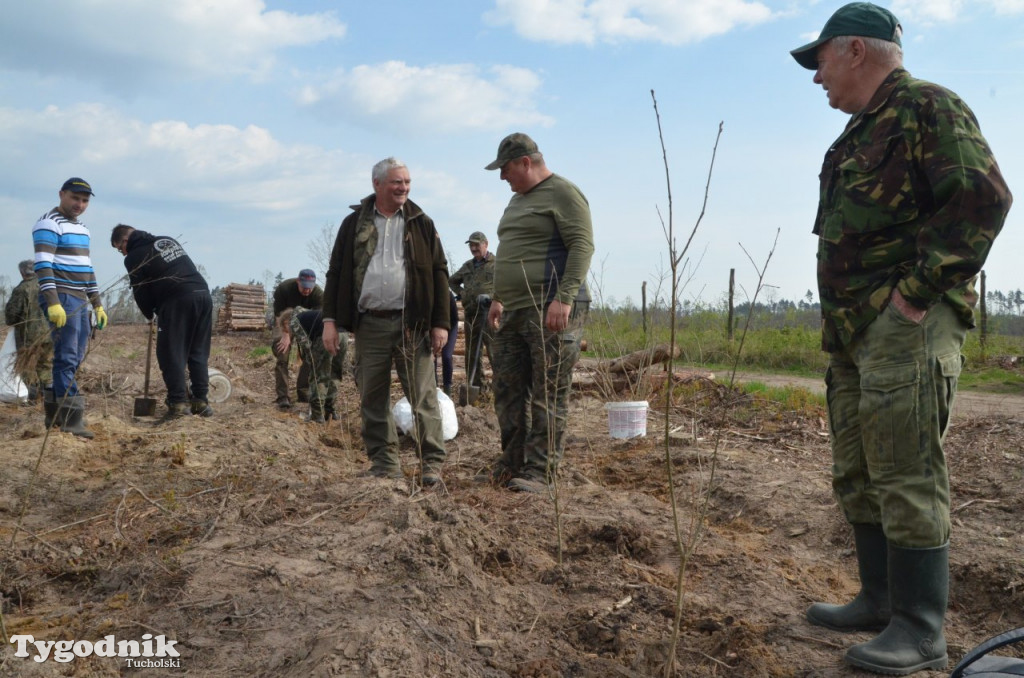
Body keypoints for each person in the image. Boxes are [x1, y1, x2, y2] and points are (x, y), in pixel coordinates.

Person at [790, 4, 1012, 674]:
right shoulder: (859, 132)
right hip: (854, 334)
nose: (815, 76)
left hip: (905, 329)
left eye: (820, 59)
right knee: (859, 470)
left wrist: (914, 295)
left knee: (907, 470)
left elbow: (982, 198)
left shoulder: (927, 108)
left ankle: (920, 630)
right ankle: (880, 601)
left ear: (856, 49)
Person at [321, 157, 450, 486]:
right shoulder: (354, 224)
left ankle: (431, 463)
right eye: (396, 182)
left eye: (407, 182)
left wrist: (441, 323)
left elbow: (439, 273)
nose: (403, 188)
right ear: (377, 184)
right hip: (371, 324)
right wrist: (330, 320)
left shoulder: (421, 222)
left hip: (413, 325)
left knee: (423, 396)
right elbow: (336, 273)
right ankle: (384, 464)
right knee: (372, 397)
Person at [484, 133, 594, 494]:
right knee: (508, 390)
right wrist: (500, 296)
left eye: (505, 169)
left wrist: (563, 298)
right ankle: (512, 462)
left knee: (548, 391)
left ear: (525, 162)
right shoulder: (517, 201)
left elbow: (582, 245)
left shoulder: (563, 193)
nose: (503, 177)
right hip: (514, 309)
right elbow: (513, 250)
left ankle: (540, 472)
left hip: (550, 306)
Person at [111, 224, 215, 420]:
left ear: (125, 241)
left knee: (170, 353)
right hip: (203, 295)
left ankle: (178, 404)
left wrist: (149, 313)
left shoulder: (134, 256)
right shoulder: (166, 240)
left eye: (119, 249)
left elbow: (140, 289)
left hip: (178, 300)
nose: (122, 253)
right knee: (197, 350)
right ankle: (200, 402)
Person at [33, 177, 108, 439]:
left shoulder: (83, 229)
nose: (79, 204)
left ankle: (55, 416)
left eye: (85, 200)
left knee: (74, 357)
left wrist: (97, 304)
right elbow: (43, 264)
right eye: (75, 198)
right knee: (66, 356)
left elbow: (87, 269)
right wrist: (53, 301)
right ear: (61, 194)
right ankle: (70, 420)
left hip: (80, 299)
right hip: (62, 296)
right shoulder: (48, 223)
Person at [276, 307, 348, 423]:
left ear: (286, 322)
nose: (289, 333)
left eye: (286, 330)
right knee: (334, 374)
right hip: (342, 334)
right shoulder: (308, 314)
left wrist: (312, 361)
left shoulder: (294, 321)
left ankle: (317, 415)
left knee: (318, 376)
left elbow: (307, 345)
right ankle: (330, 411)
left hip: (325, 335)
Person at [449, 231, 495, 392]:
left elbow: (506, 286)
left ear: (486, 244)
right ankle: (477, 388)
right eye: (471, 245)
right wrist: (462, 294)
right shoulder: (468, 266)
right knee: (472, 352)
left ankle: (500, 388)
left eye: (477, 244)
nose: (474, 248)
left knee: (494, 350)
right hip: (471, 314)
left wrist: (490, 297)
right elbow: (452, 280)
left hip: (491, 315)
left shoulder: (496, 264)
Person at [272, 269, 323, 410]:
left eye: (309, 287)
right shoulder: (284, 289)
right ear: (297, 281)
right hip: (285, 321)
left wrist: (308, 341)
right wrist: (285, 334)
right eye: (304, 287)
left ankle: (303, 392)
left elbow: (318, 319)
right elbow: (279, 316)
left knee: (311, 354)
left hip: (306, 323)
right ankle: (283, 396)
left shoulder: (318, 294)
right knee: (282, 352)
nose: (307, 290)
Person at [4, 260, 53, 402]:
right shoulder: (47, 286)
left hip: (29, 337)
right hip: (50, 334)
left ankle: (32, 400)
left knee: (27, 367)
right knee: (46, 365)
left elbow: (11, 316)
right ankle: (48, 399)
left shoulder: (22, 289)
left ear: (22, 272)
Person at [437, 291, 459, 396]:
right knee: (430, 357)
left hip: (450, 326)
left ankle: (447, 389)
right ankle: (434, 387)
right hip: (431, 329)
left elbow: (454, 318)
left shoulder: (447, 294)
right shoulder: (425, 294)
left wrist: (445, 331)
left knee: (446, 356)